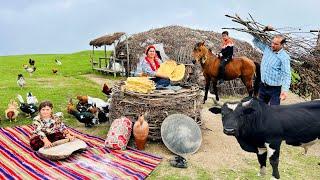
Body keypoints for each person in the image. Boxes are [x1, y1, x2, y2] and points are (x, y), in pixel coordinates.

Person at [253, 26, 291, 105]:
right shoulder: (267, 49)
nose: (272, 45)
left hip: (275, 89)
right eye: (272, 42)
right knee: (261, 110)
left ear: (282, 45)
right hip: (263, 86)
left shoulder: (284, 57)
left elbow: (286, 75)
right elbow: (255, 41)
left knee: (274, 112)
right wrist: (263, 30)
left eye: (276, 44)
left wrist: (284, 91)